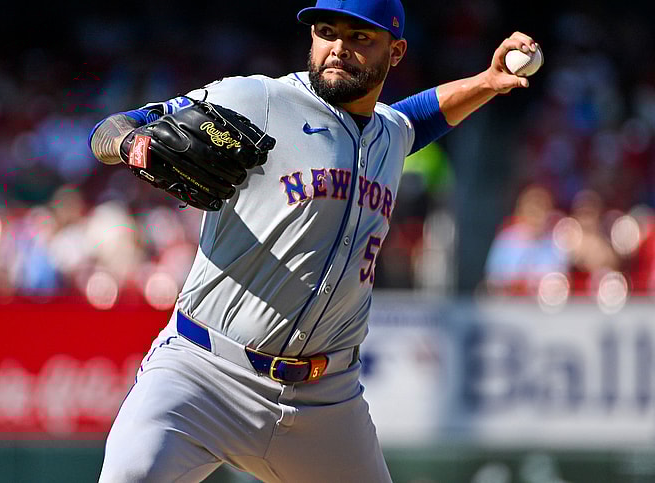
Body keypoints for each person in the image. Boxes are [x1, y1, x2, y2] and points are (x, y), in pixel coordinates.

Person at [89, 0, 538, 481]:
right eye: (327, 31)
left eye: (361, 37)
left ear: (397, 51)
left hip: (325, 402)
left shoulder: (389, 132)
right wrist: (135, 145)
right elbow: (109, 130)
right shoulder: (257, 99)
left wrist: (487, 83)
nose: (339, 48)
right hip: (202, 376)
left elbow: (417, 118)